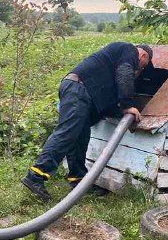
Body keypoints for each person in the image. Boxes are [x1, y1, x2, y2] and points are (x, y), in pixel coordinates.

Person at [21, 42, 154, 201]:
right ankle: (36, 175)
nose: (140, 70)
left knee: (80, 138)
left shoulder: (112, 65)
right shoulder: (130, 50)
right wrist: (127, 105)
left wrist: (120, 110)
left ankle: (78, 181)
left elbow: (109, 100)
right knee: (67, 133)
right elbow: (124, 73)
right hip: (78, 89)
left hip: (80, 91)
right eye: (143, 66)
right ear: (143, 56)